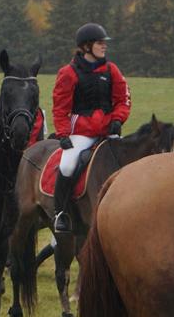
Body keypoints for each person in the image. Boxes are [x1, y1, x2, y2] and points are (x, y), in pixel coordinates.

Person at [49, 23, 131, 233]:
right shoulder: (68, 73)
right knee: (67, 166)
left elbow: (123, 99)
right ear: (86, 46)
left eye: (104, 43)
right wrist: (63, 134)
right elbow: (60, 108)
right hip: (82, 134)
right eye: (99, 43)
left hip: (108, 131)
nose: (104, 46)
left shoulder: (112, 70)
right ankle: (61, 214)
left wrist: (118, 119)